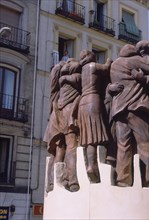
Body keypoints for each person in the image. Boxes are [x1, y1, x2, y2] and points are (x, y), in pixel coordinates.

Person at [110, 44, 149, 187]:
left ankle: (123, 180)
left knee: (123, 145)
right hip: (136, 107)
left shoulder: (115, 65)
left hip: (119, 109)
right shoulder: (134, 60)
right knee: (145, 144)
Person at [44, 58, 82, 192]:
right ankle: (72, 180)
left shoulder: (57, 89)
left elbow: (54, 74)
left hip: (56, 115)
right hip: (67, 114)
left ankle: (52, 183)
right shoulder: (77, 79)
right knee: (71, 146)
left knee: (59, 150)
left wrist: (60, 65)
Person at [78, 50, 112, 182]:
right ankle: (92, 166)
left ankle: (90, 164)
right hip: (93, 99)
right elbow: (107, 68)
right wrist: (108, 60)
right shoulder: (93, 66)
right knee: (94, 136)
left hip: (82, 103)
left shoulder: (82, 71)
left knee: (87, 136)